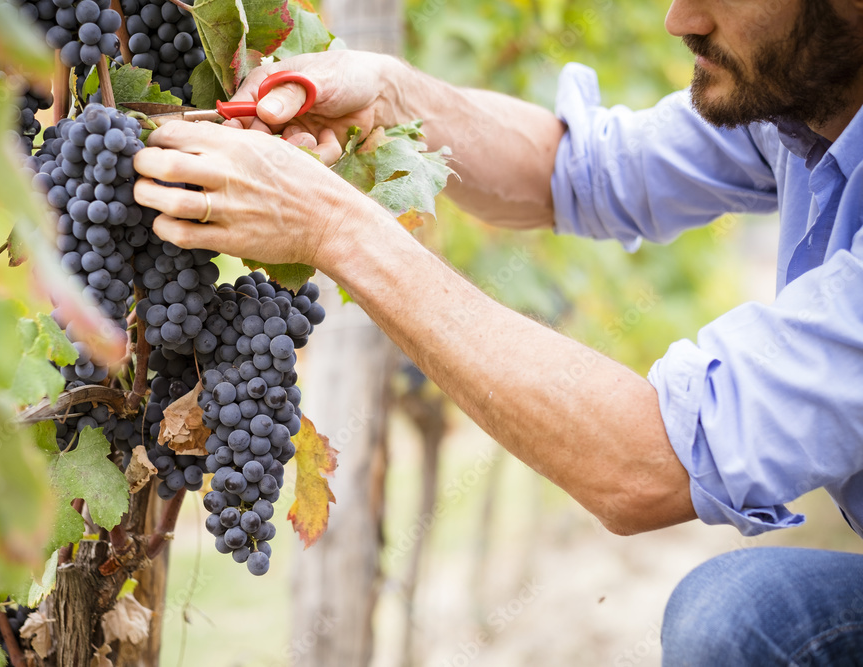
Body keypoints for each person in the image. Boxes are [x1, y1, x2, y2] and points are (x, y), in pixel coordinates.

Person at [133, 0, 863, 663]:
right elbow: (585, 171)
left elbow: (651, 464)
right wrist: (389, 93)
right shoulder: (808, 95)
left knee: (735, 619)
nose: (680, 20)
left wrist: (335, 228)